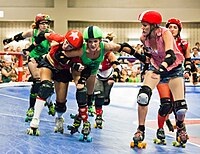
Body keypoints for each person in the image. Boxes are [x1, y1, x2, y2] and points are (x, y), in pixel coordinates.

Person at [128, 10, 188, 146]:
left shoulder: (165, 33)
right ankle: (140, 129)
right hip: (156, 67)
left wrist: (161, 70)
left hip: (174, 69)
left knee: (181, 108)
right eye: (142, 25)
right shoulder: (143, 38)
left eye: (144, 25)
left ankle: (180, 126)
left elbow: (171, 55)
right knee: (143, 96)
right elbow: (149, 57)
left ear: (154, 25)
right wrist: (132, 53)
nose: (142, 28)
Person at [26, 29, 84, 135]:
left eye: (70, 46)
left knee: (61, 104)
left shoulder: (78, 56)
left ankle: (59, 118)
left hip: (63, 71)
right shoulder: (59, 39)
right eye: (66, 42)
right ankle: (35, 120)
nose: (66, 46)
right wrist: (30, 48)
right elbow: (43, 35)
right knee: (45, 87)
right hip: (49, 63)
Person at [3, 13, 56, 121]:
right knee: (37, 81)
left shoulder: (50, 33)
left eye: (46, 23)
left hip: (45, 59)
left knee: (48, 85)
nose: (45, 26)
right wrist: (9, 40)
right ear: (38, 24)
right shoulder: (33, 32)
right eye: (42, 23)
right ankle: (31, 107)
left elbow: (56, 44)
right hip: (34, 58)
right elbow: (20, 36)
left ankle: (49, 102)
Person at [151, 18, 194, 144]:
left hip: (177, 74)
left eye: (175, 27)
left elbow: (188, 60)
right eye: (170, 27)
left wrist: (187, 71)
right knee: (166, 105)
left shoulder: (183, 44)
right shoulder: (160, 42)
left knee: (179, 106)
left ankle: (180, 128)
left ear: (179, 30)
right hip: (163, 74)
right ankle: (160, 129)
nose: (172, 29)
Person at [92, 38, 122, 129]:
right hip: (98, 76)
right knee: (99, 97)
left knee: (106, 100)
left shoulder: (110, 54)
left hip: (108, 76)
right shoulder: (95, 53)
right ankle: (98, 116)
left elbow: (117, 65)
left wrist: (115, 75)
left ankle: (98, 101)